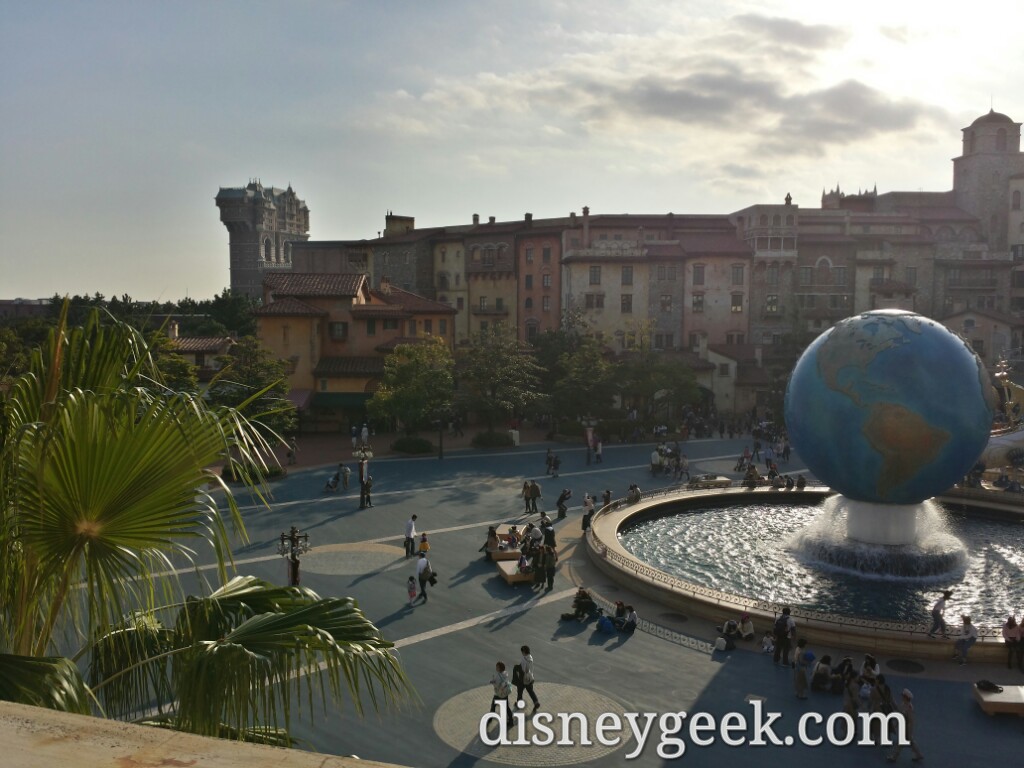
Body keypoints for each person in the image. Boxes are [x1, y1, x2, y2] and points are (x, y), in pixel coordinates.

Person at [886, 689, 924, 762]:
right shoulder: (903, 705)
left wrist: (909, 732)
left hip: (906, 727)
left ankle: (894, 756)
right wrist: (896, 724)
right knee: (910, 742)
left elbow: (910, 721)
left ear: (905, 697)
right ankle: (919, 754)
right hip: (903, 726)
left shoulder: (909, 707)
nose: (901, 697)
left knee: (902, 742)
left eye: (903, 696)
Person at [515, 645, 540, 710]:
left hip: (523, 678)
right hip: (530, 678)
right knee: (530, 691)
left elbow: (523, 668)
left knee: (520, 691)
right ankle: (536, 702)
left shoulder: (524, 658)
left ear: (524, 652)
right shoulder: (530, 658)